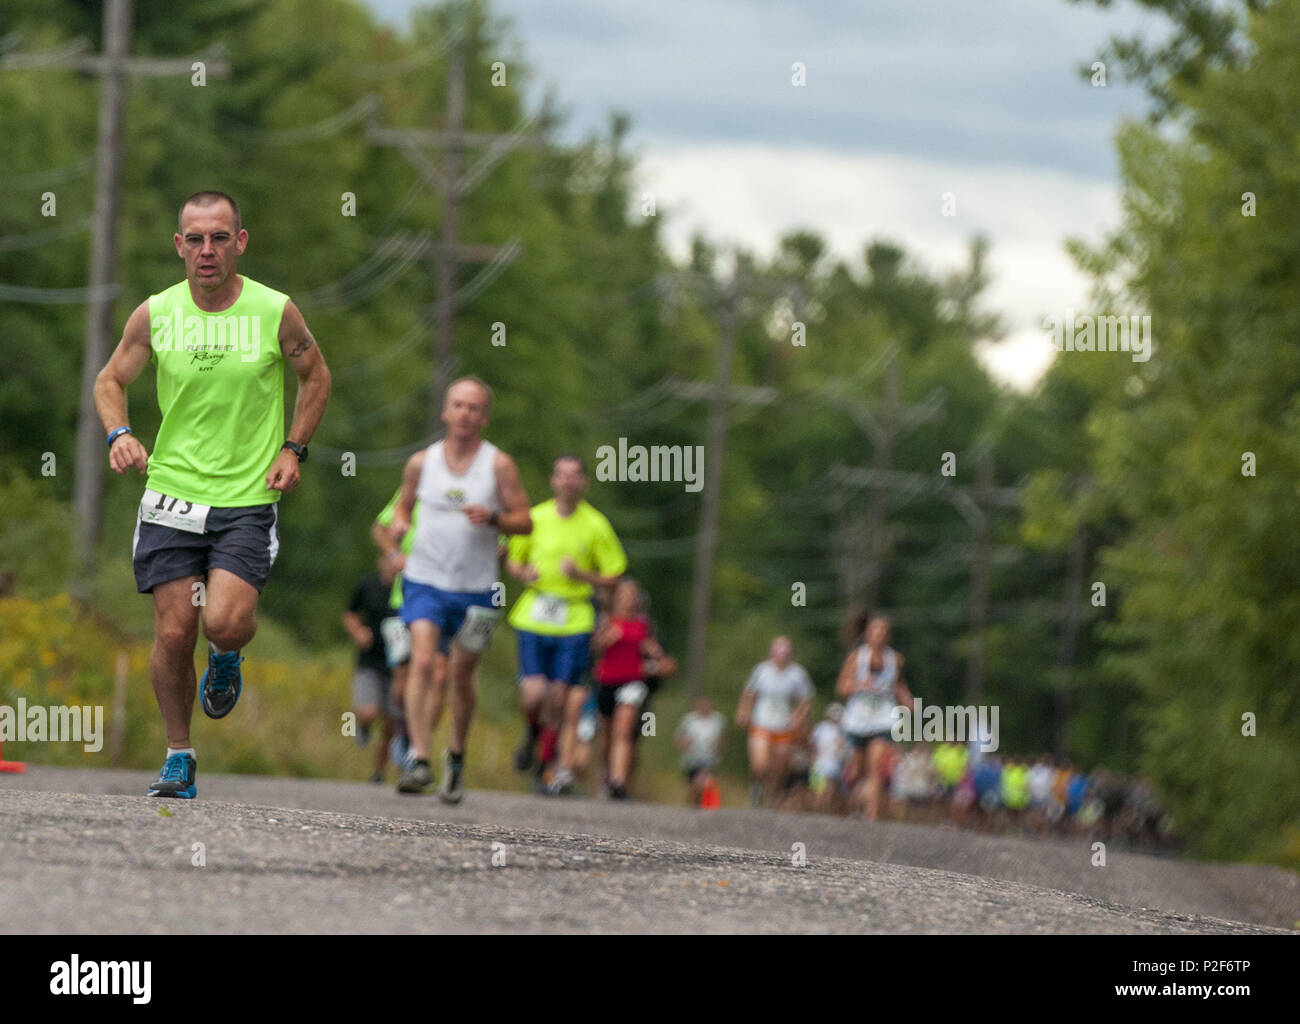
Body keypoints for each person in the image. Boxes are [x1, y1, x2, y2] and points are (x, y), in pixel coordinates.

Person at [95, 191, 330, 799]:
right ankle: (179, 754)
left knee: (223, 621)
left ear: (239, 243)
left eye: (219, 238)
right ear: (179, 246)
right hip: (171, 492)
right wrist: (119, 433)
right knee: (174, 634)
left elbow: (316, 376)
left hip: (247, 497)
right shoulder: (156, 314)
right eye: (194, 239)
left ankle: (227, 655)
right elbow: (110, 379)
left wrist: (292, 448)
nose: (206, 251)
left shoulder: (274, 312)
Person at [387, 377, 532, 801]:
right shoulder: (421, 462)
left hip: (477, 588)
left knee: (462, 676)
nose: (464, 414)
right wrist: (399, 521)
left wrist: (493, 518)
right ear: (444, 412)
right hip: (424, 579)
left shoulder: (498, 465)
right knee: (423, 661)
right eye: (457, 405)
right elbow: (403, 504)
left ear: (484, 416)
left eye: (473, 407)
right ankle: (417, 757)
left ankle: (455, 756)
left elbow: (524, 519)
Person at [505, 454, 627, 795]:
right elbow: (514, 561)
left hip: (574, 618)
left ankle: (546, 765)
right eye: (562, 475)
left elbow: (615, 576)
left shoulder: (596, 525)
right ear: (553, 481)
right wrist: (522, 572)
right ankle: (531, 733)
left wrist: (582, 575)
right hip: (535, 612)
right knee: (533, 694)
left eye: (575, 476)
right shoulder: (536, 517)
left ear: (584, 482)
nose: (568, 482)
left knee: (560, 698)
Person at [592, 578, 671, 799]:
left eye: (632, 596)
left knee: (623, 733)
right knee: (607, 737)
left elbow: (657, 653)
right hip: (607, 682)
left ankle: (619, 782)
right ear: (617, 598)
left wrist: (656, 657)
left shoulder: (643, 625)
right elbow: (595, 649)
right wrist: (605, 639)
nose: (628, 600)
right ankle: (606, 777)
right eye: (624, 595)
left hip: (633, 683)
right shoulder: (607, 620)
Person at [835, 614, 913, 821]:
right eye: (875, 632)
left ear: (887, 636)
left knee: (876, 767)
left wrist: (908, 700)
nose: (879, 636)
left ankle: (872, 816)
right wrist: (860, 685)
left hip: (883, 719)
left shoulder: (895, 659)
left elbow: (898, 685)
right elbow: (842, 687)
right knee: (857, 772)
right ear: (867, 635)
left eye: (883, 632)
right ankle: (852, 807)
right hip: (858, 721)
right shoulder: (856, 657)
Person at [370, 487, 422, 771]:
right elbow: (380, 527)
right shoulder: (417, 484)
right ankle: (404, 731)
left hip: (445, 596)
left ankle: (418, 747)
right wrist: (393, 554)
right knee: (401, 680)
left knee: (433, 673)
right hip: (404, 600)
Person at [734, 636, 814, 809]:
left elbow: (806, 700)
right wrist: (743, 712)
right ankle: (756, 789)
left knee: (779, 768)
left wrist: (799, 716)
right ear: (772, 653)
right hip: (761, 722)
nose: (781, 656)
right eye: (778, 652)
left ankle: (772, 797)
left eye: (785, 653)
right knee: (760, 764)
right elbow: (748, 692)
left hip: (784, 726)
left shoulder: (797, 674)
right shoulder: (761, 671)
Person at [343, 556, 402, 782]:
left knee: (391, 723)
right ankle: (361, 725)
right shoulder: (368, 585)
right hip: (368, 660)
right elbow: (349, 613)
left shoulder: (408, 589)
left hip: (396, 664)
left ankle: (378, 772)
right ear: (381, 562)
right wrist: (358, 631)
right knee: (368, 710)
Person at [674, 696, 726, 807]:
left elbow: (722, 739)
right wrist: (685, 744)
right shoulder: (689, 719)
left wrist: (718, 746)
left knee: (704, 782)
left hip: (709, 758)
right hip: (692, 759)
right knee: (696, 786)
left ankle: (703, 804)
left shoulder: (717, 720)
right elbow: (678, 738)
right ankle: (693, 802)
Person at [809, 703, 847, 814]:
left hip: (833, 765)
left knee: (828, 791)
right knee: (818, 792)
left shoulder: (843, 730)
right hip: (819, 765)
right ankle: (817, 813)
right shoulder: (821, 728)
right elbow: (813, 746)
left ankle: (822, 813)